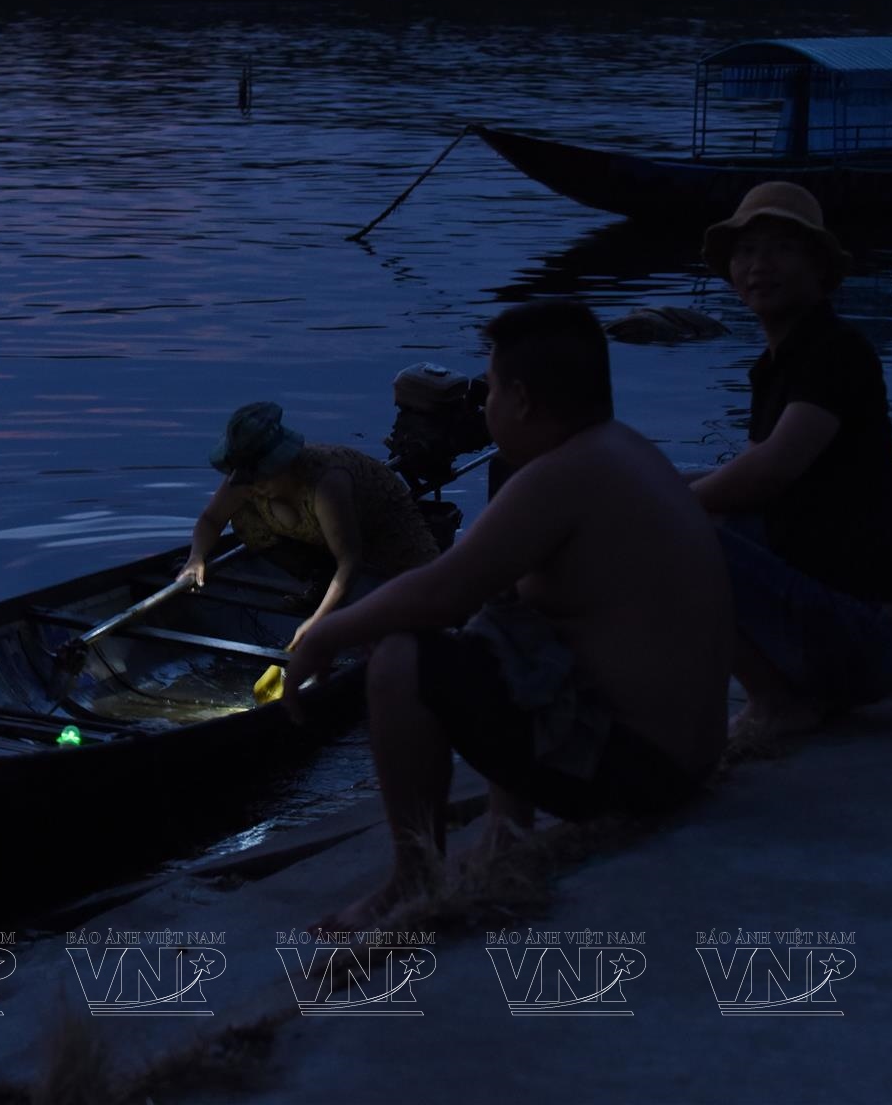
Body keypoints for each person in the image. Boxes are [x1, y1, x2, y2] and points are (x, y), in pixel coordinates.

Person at [284, 302, 733, 929]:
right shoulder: (624, 450)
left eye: (491, 390)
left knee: (401, 658)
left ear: (521, 399)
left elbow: (443, 593)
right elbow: (501, 613)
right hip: (686, 758)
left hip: (641, 774)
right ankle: (506, 825)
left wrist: (323, 633)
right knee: (503, 619)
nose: (485, 405)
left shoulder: (561, 477)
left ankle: (413, 879)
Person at [688, 182, 892, 736]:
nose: (759, 266)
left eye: (781, 249)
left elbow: (771, 469)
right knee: (698, 514)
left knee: (683, 533)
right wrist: (654, 485)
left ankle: (775, 702)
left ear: (818, 266)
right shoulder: (777, 364)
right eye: (747, 251)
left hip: (872, 638)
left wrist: (666, 505)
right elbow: (744, 473)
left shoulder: (837, 350)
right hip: (839, 626)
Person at [182, 402, 439, 648]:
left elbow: (350, 560)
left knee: (424, 600)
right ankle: (321, 575)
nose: (252, 486)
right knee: (245, 517)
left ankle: (347, 600)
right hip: (322, 535)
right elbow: (211, 520)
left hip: (384, 533)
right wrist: (196, 558)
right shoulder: (245, 478)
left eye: (260, 478)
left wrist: (317, 622)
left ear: (282, 464)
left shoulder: (326, 485)